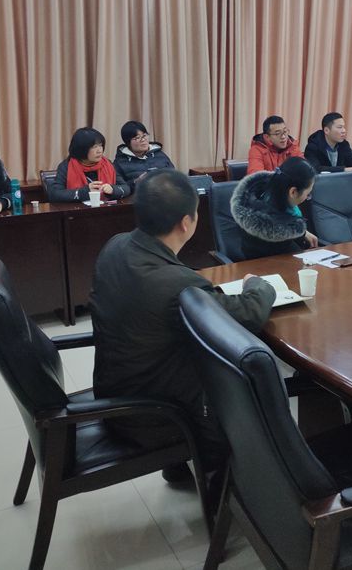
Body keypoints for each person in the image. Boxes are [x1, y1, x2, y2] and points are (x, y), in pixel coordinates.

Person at [89, 169, 275, 475]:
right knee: (244, 383)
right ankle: (220, 480)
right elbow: (248, 314)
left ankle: (179, 469)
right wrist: (258, 285)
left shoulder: (115, 246)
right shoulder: (177, 284)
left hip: (114, 390)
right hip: (150, 415)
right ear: (186, 223)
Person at [231, 157, 319, 259]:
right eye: (308, 194)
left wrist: (302, 233)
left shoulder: (265, 196)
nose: (307, 198)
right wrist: (299, 233)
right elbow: (296, 260)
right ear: (293, 192)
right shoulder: (271, 227)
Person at [48, 128, 130, 202]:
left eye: (100, 145)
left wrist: (113, 189)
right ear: (81, 149)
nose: (99, 151)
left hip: (106, 210)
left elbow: (126, 188)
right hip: (78, 211)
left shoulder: (107, 164)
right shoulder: (66, 166)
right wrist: (84, 192)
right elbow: (55, 194)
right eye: (94, 147)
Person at [113, 121, 175, 189]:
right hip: (138, 195)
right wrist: (135, 182)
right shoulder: (120, 163)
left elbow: (174, 176)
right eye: (137, 138)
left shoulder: (160, 155)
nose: (143, 140)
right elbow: (119, 189)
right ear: (128, 142)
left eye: (144, 135)